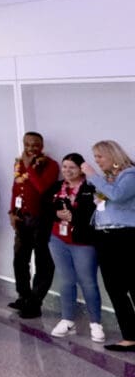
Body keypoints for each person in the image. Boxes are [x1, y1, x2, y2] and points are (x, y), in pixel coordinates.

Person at [81, 140, 135, 352]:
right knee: (115, 288)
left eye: (100, 157)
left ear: (112, 155)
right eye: (95, 158)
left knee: (132, 284)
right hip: (106, 236)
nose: (97, 161)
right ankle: (130, 336)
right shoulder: (110, 178)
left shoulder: (129, 175)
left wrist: (92, 175)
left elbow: (118, 196)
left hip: (125, 236)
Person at [45, 153, 103, 342]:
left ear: (81, 169)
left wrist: (74, 218)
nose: (67, 171)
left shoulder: (91, 187)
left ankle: (96, 323)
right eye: (65, 167)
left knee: (88, 281)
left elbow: (96, 213)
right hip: (58, 239)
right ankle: (67, 319)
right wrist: (56, 214)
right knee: (66, 280)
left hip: (82, 242)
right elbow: (45, 206)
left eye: (72, 167)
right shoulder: (57, 186)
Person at [8, 131, 59, 319]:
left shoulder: (51, 165)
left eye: (35, 145)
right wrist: (11, 212)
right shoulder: (19, 163)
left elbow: (42, 187)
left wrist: (29, 167)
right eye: (27, 144)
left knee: (42, 261)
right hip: (22, 219)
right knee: (20, 259)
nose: (31, 148)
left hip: (41, 219)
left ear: (42, 146)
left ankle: (35, 302)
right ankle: (24, 296)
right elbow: (15, 189)